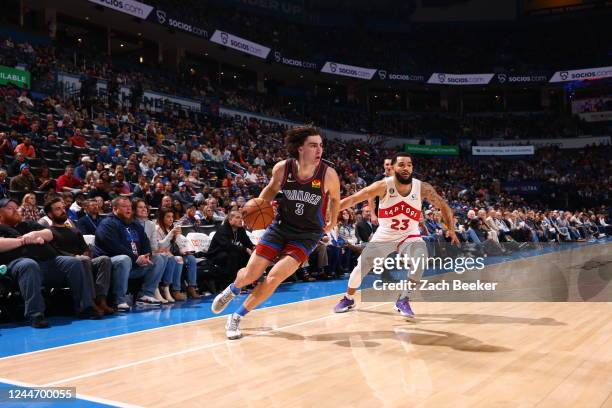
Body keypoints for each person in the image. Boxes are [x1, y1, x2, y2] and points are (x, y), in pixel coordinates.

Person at [211, 125, 341, 340]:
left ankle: (236, 316)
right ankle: (233, 289)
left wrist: (333, 219)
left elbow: (335, 199)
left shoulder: (328, 174)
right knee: (251, 274)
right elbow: (271, 190)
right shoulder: (283, 168)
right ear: (300, 148)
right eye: (313, 145)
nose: (319, 150)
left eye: (321, 145)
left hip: (307, 234)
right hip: (280, 227)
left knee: (274, 277)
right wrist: (258, 207)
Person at [333, 152, 459, 317]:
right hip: (385, 235)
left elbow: (443, 205)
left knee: (421, 259)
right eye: (401, 165)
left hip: (409, 235)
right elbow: (353, 199)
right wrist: (329, 213)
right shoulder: (383, 185)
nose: (406, 168)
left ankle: (403, 299)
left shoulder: (422, 187)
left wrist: (451, 229)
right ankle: (349, 298)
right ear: (392, 168)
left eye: (409, 165)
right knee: (361, 268)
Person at [0, 198, 99, 327]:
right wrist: (24, 240)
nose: (15, 210)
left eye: (16, 207)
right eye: (10, 208)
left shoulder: (28, 224)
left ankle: (85, 307)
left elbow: (49, 233)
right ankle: (35, 315)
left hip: (47, 262)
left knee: (73, 262)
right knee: (29, 264)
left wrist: (34, 234)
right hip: (17, 265)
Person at [92, 196, 165, 311]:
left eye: (130, 207)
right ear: (115, 209)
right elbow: (113, 247)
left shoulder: (134, 224)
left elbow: (146, 242)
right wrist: (136, 258)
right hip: (112, 266)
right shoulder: (107, 224)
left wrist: (146, 256)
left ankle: (146, 294)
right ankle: (119, 300)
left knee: (159, 258)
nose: (129, 209)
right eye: (124, 207)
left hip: (134, 265)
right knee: (124, 259)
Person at [45, 197, 114, 315]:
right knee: (83, 260)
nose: (62, 211)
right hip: (66, 266)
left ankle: (101, 300)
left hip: (83, 261)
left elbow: (86, 249)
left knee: (104, 260)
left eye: (63, 208)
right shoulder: (48, 232)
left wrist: (85, 255)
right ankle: (89, 302)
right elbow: (55, 252)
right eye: (57, 209)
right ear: (50, 214)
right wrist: (76, 256)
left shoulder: (74, 230)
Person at [155, 207, 201, 299]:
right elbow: (159, 248)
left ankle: (192, 287)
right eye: (168, 217)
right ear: (161, 218)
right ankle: (176, 290)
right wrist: (172, 236)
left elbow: (179, 245)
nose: (171, 219)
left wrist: (184, 250)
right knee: (178, 259)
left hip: (174, 253)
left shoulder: (173, 228)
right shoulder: (157, 229)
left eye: (172, 217)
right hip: (164, 256)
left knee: (191, 258)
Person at [206, 211, 254, 288]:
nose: (240, 220)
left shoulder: (240, 230)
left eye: (241, 218)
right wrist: (245, 249)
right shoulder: (222, 229)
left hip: (230, 252)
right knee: (233, 255)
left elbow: (247, 242)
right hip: (215, 255)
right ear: (230, 219)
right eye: (237, 217)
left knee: (247, 255)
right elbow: (226, 246)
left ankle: (246, 282)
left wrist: (253, 248)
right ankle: (230, 284)